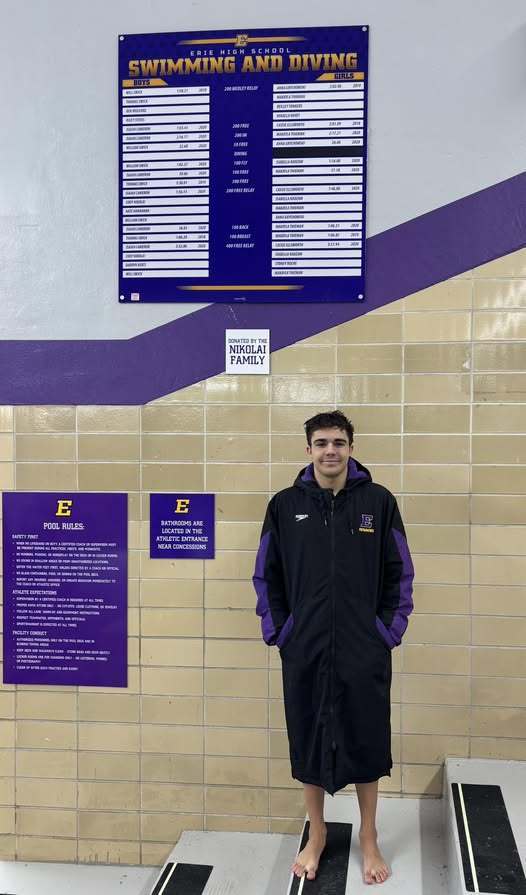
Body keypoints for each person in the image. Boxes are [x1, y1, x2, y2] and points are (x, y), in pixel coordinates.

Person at [253, 410, 414, 885]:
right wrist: (281, 630)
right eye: (321, 442)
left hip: (364, 648)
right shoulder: (284, 506)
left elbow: (399, 572)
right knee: (307, 734)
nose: (330, 451)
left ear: (350, 448)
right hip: (306, 646)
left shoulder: (378, 503)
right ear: (308, 449)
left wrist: (387, 630)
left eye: (339, 442)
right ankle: (318, 833)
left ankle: (368, 836)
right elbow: (268, 575)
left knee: (366, 734)